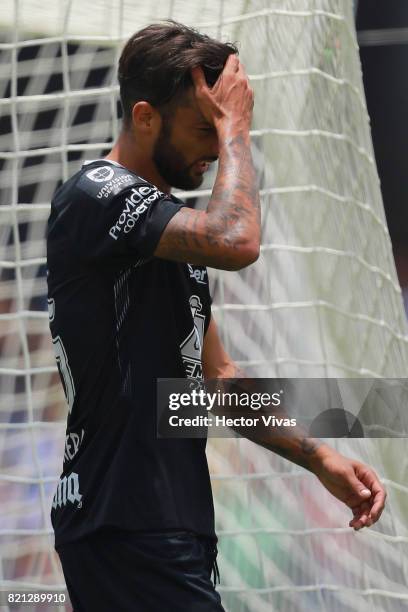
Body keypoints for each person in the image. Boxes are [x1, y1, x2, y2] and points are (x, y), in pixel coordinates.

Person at [47, 21, 386, 612]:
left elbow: (215, 383)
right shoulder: (97, 192)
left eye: (219, 127)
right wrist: (236, 130)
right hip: (124, 518)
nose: (215, 146)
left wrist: (320, 457)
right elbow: (238, 240)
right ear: (145, 117)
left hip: (158, 522)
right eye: (204, 127)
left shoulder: (167, 230)